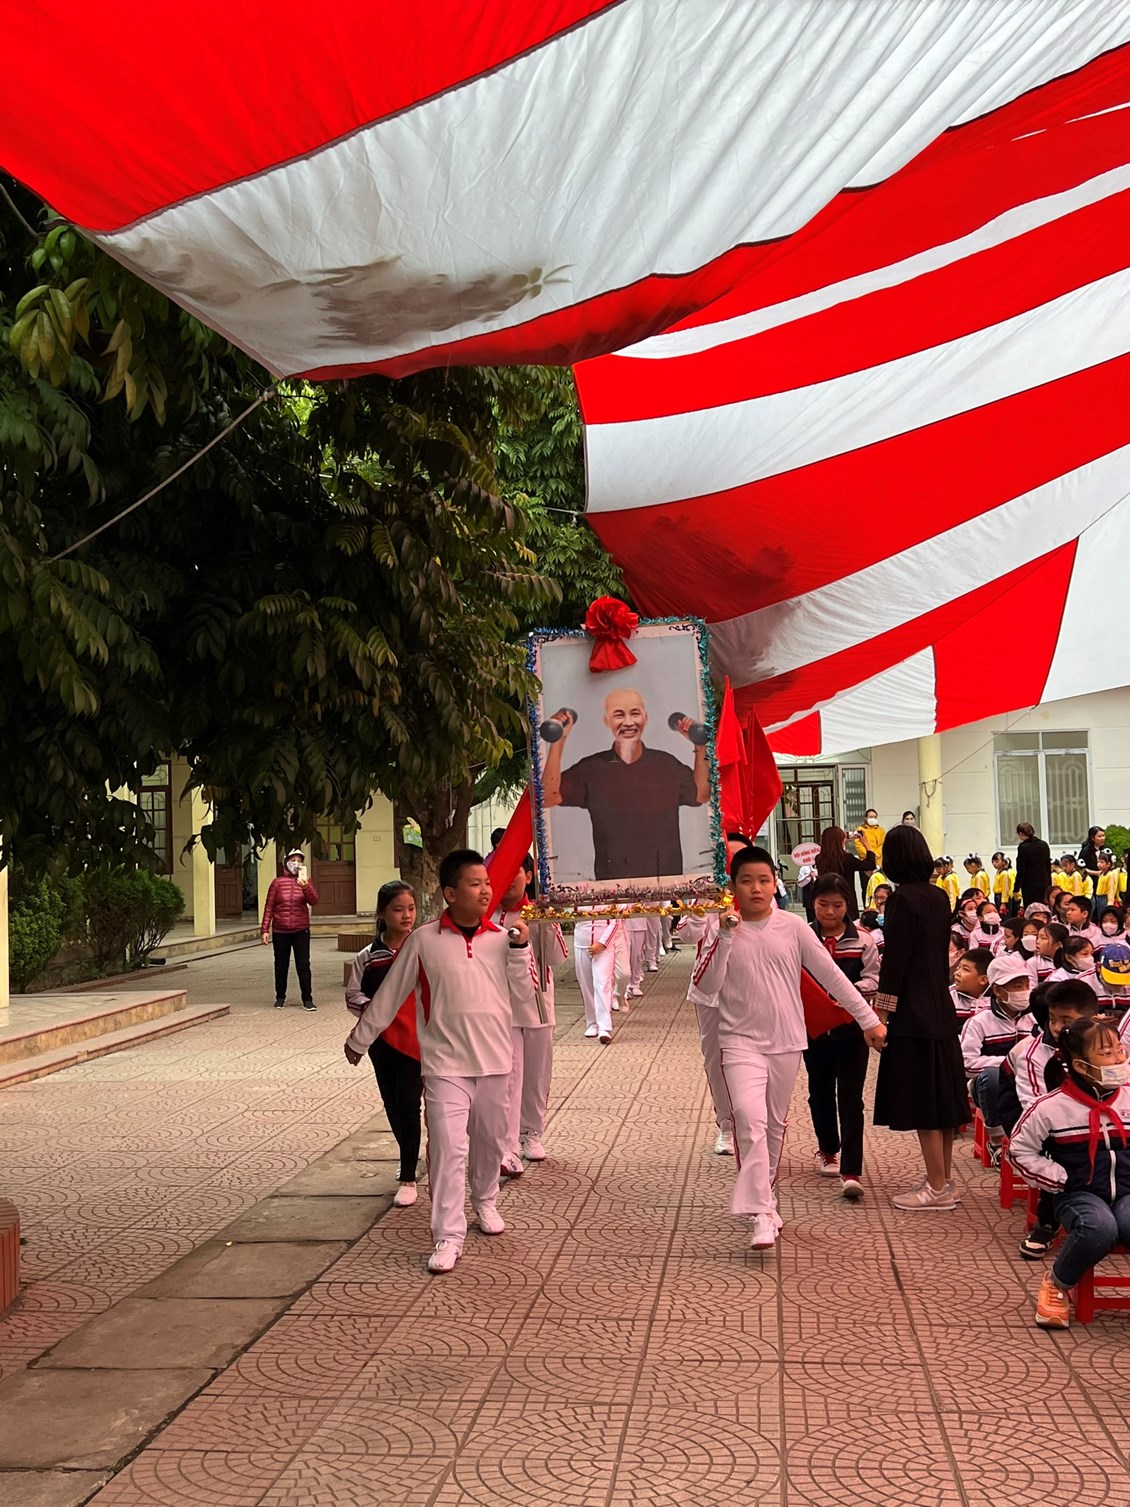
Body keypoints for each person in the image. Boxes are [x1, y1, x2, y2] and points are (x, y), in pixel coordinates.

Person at [343, 849, 536, 1275]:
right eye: (474, 884)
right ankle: (448, 1235)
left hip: (495, 1063)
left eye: (487, 883)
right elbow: (390, 994)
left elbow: (526, 999)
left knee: (489, 1144)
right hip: (445, 1066)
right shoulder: (424, 941)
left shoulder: (502, 939)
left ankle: (485, 1201)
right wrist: (360, 1038)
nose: (485, 891)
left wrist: (521, 950)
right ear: (450, 893)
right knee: (448, 1150)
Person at [693, 846, 885, 1249]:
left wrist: (868, 1020)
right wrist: (724, 936)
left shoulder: (793, 927)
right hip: (738, 1041)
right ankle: (763, 1212)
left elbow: (832, 977)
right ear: (733, 887)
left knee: (773, 1125)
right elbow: (706, 987)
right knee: (749, 1120)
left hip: (785, 1040)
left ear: (775, 884)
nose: (756, 888)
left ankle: (765, 1200)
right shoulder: (721, 929)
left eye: (763, 880)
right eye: (747, 881)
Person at [1008, 1015, 1130, 1329]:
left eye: (1120, 1049)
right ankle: (1057, 1283)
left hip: (1126, 1192)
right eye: (1107, 1053)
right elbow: (1019, 1150)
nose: (1119, 1058)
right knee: (1099, 1228)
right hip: (1079, 1193)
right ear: (1080, 1066)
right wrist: (1059, 1178)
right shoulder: (1050, 1107)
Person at [872, 824, 971, 1210]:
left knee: (923, 1101)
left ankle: (936, 1188)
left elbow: (895, 962)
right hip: (940, 1006)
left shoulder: (901, 900)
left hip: (913, 1010)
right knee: (941, 1099)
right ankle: (942, 1180)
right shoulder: (938, 895)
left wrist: (882, 1013)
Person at [541, 688, 709, 880]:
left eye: (635, 713)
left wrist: (700, 745)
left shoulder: (667, 765)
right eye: (619, 715)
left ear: (645, 718)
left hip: (667, 888)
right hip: (613, 890)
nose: (628, 722)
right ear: (607, 721)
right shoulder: (592, 768)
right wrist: (558, 741)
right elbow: (547, 797)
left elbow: (701, 794)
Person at [1001, 980, 1101, 1261]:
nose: (1057, 1027)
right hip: (1032, 1120)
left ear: (1092, 1020)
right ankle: (1047, 1222)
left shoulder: (1105, 1046)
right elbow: (1034, 1108)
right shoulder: (1033, 1053)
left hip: (1090, 1118)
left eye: (1066, 1020)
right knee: (1064, 1150)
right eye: (1053, 1019)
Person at [804, 874, 880, 1200]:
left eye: (837, 905)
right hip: (814, 1030)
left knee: (851, 1099)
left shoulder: (863, 940)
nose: (830, 912)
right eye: (823, 904)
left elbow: (873, 979)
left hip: (851, 1030)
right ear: (813, 903)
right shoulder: (803, 937)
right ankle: (828, 1150)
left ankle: (852, 1171)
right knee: (819, 1092)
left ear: (848, 905)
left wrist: (847, 994)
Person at [344, 881, 421, 1206]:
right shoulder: (368, 957)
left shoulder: (422, 950)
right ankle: (408, 1155)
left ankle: (408, 1176)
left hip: (417, 1040)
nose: (406, 915)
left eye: (411, 908)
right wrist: (376, 1010)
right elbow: (353, 995)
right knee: (392, 1102)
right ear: (382, 913)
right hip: (381, 1042)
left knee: (409, 1103)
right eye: (398, 909)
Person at [493, 860, 567, 1171]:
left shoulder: (538, 913)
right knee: (508, 1078)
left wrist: (547, 921)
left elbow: (557, 958)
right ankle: (507, 1145)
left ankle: (531, 1133)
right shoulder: (489, 915)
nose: (509, 879)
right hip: (502, 1009)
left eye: (516, 871)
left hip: (537, 1007)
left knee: (536, 1077)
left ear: (528, 876)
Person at [960, 953, 1036, 1163]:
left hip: (1028, 1082)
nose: (1023, 992)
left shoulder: (1034, 1020)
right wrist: (1008, 1064)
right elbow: (967, 1063)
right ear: (998, 991)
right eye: (1016, 987)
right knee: (993, 1076)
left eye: (1026, 985)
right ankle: (996, 1141)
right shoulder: (979, 1022)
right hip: (989, 1086)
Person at [260, 848, 320, 1010]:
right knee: (281, 965)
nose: (296, 864)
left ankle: (307, 999)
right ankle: (280, 997)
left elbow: (314, 901)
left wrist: (306, 887)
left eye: (299, 861)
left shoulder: (306, 881)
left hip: (301, 930)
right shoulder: (277, 883)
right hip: (280, 931)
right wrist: (264, 929)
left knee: (303, 965)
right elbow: (269, 907)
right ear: (286, 863)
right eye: (293, 860)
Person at [574, 911, 618, 1043]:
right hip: (581, 943)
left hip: (604, 947)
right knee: (586, 985)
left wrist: (603, 943)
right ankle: (592, 1022)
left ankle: (604, 1027)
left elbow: (615, 920)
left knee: (602, 983)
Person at [815, 826, 875, 918]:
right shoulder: (847, 858)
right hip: (846, 900)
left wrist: (842, 841)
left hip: (827, 898)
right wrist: (867, 845)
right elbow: (870, 865)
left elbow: (833, 853)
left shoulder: (819, 859)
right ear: (840, 841)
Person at [1014, 822, 1052, 913]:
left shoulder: (1023, 847)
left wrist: (1016, 888)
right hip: (1044, 882)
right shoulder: (1044, 845)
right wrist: (1049, 885)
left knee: (1032, 909)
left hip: (1029, 885)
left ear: (1020, 834)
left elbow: (1021, 870)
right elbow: (1048, 866)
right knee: (1043, 909)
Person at [950, 946, 992, 1023]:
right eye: (959, 967)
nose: (957, 973)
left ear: (983, 980)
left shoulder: (995, 1002)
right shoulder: (948, 997)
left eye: (965, 969)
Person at [1078, 825, 1108, 895]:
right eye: (1099, 836)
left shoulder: (1106, 850)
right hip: (1091, 882)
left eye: (1103, 836)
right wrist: (1096, 873)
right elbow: (1081, 868)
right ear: (1092, 838)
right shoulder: (1086, 851)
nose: (1102, 838)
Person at [1095, 850, 1121, 921]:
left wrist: (1110, 903)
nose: (1099, 864)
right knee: (1100, 916)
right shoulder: (1102, 873)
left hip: (1104, 898)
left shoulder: (1110, 875)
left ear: (1108, 864)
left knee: (1104, 917)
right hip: (1099, 897)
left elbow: (1111, 890)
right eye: (1098, 862)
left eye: (1102, 862)